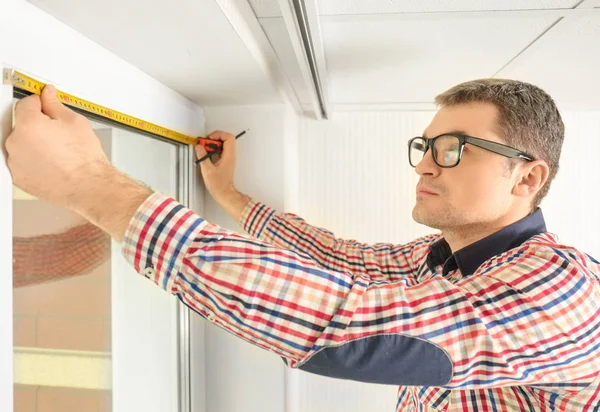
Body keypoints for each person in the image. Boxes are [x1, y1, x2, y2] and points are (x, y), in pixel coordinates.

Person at [5, 79, 600, 411]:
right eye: (425, 148)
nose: (425, 166)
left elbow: (350, 327)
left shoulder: (565, 292)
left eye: (454, 149)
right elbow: (332, 256)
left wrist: (90, 186)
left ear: (527, 177)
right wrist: (229, 193)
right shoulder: (437, 261)